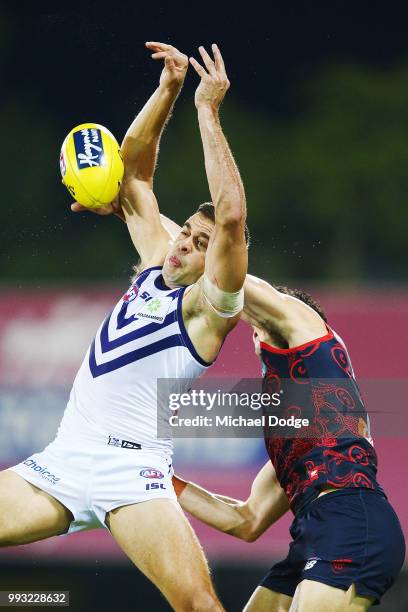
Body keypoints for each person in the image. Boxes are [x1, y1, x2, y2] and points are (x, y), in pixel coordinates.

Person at [0, 42, 248, 611]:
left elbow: (231, 215)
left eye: (199, 243)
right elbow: (134, 177)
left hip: (131, 471)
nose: (183, 241)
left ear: (216, 263)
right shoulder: (158, 266)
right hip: (61, 461)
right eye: (186, 230)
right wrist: (168, 90)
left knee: (199, 606)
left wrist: (207, 112)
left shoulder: (210, 308)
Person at [172, 278, 406, 611]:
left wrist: (194, 252)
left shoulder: (308, 327)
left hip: (350, 521)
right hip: (318, 531)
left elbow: (234, 281)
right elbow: (246, 521)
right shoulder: (295, 443)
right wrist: (163, 479)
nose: (255, 331)